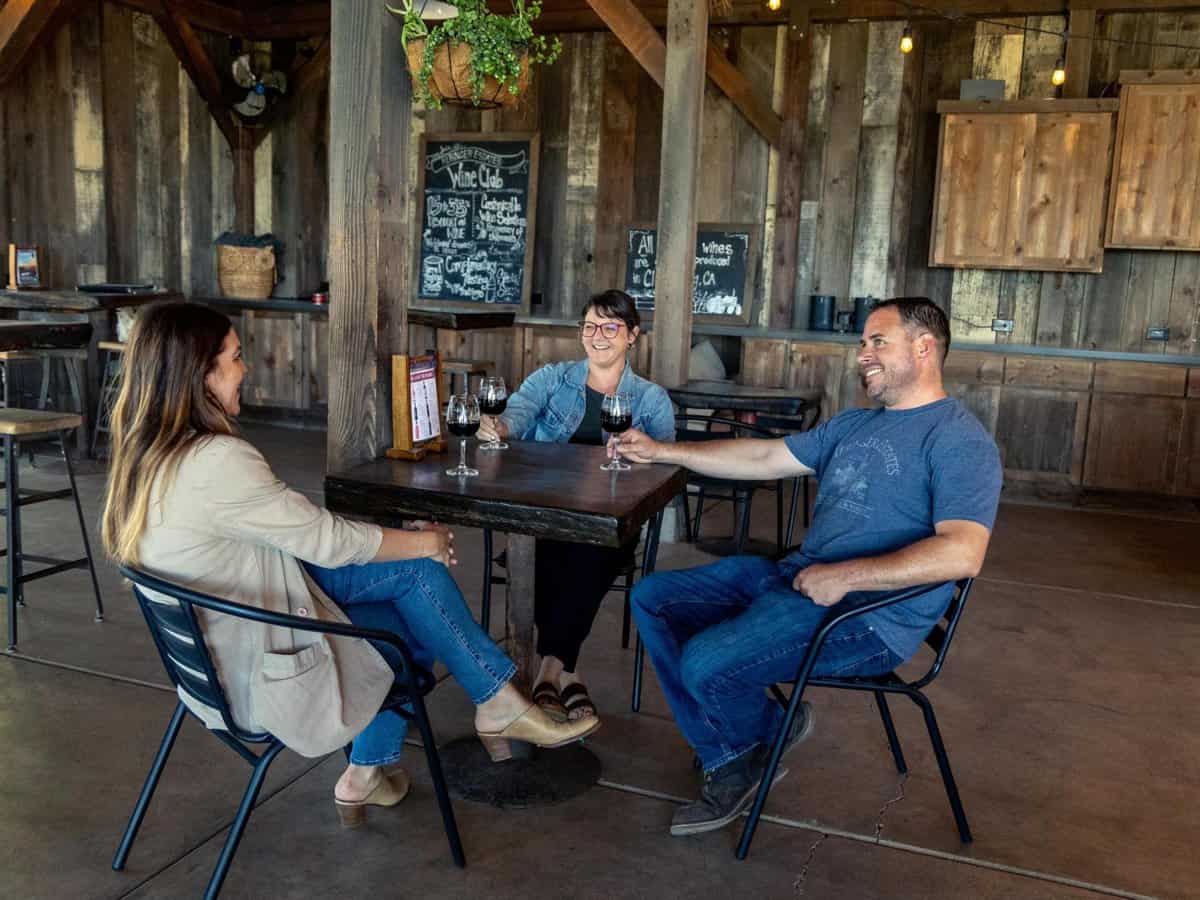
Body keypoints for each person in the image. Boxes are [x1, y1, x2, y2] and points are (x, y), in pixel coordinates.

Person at [101, 303, 598, 827]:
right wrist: (422, 543)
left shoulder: (147, 457)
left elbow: (297, 534)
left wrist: (405, 544)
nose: (245, 369)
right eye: (236, 357)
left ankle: (392, 761)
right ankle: (470, 716)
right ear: (199, 372)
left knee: (418, 592)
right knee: (417, 605)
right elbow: (323, 540)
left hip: (210, 665)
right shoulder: (215, 462)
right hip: (260, 671)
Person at [614, 298, 1002, 837]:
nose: (862, 354)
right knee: (652, 597)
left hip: (868, 618)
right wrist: (661, 451)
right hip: (799, 580)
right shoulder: (854, 425)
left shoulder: (959, 440)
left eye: (877, 342)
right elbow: (763, 459)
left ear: (924, 347)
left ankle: (736, 755)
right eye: (862, 342)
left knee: (705, 663)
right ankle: (749, 741)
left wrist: (845, 576)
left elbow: (963, 552)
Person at [476, 289, 674, 722]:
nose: (597, 336)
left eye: (610, 327)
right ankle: (566, 674)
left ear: (632, 336)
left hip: (611, 520)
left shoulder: (651, 399)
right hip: (547, 513)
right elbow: (519, 412)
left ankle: (547, 668)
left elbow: (665, 469)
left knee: (585, 550)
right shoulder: (552, 378)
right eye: (589, 326)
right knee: (554, 549)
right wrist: (501, 425)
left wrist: (644, 455)